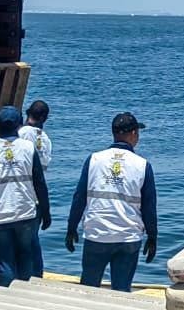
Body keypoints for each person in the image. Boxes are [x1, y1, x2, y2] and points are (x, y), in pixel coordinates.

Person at [66, 112, 158, 293]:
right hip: (128, 236)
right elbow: (149, 207)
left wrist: (71, 228)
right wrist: (152, 237)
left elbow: (79, 198)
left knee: (89, 288)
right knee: (121, 290)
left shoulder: (94, 160)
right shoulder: (142, 165)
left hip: (97, 233)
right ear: (133, 134)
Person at [0, 106, 50, 286]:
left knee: (4, 260)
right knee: (26, 257)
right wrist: (46, 213)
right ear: (18, 125)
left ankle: (7, 296)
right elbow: (39, 183)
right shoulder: (28, 148)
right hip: (25, 213)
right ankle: (25, 294)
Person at [17, 99, 53, 278]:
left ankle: (24, 277)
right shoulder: (46, 140)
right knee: (33, 239)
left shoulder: (21, 133)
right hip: (38, 196)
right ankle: (37, 275)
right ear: (44, 118)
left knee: (23, 242)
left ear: (27, 112)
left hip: (23, 194)